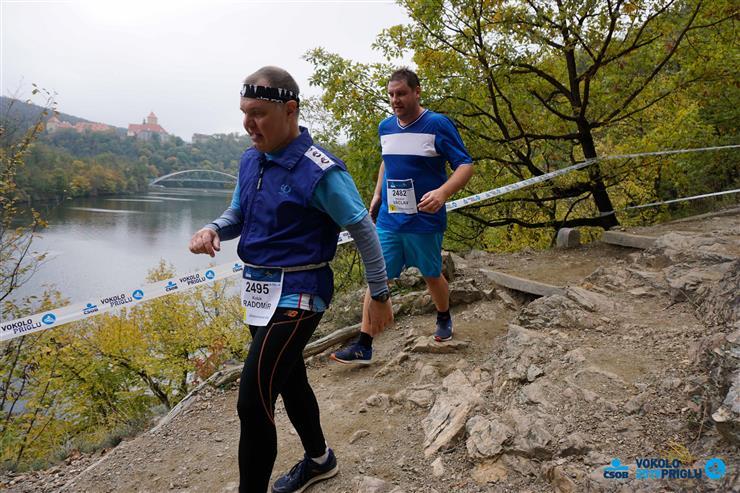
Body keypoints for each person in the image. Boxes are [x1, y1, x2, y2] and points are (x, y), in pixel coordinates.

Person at [188, 66, 393, 493]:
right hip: (259, 292)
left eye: (258, 113)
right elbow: (239, 213)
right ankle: (320, 460)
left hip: (301, 292)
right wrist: (213, 229)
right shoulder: (251, 159)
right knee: (289, 378)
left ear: (290, 110)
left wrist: (379, 294)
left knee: (252, 402)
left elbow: (362, 227)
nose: (249, 123)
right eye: (244, 113)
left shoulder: (321, 171)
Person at [331, 68, 473, 365]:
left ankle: (443, 316)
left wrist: (443, 193)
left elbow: (465, 165)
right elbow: (387, 162)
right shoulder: (386, 127)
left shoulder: (437, 124)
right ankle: (364, 343)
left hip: (424, 219)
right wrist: (377, 195)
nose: (395, 100)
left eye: (401, 93)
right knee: (377, 277)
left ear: (417, 92)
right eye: (391, 94)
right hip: (390, 219)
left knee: (431, 273)